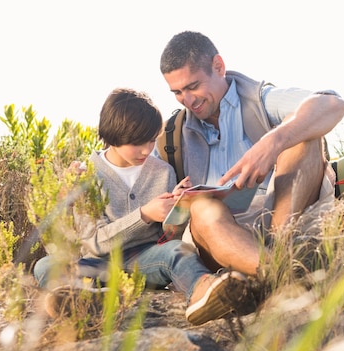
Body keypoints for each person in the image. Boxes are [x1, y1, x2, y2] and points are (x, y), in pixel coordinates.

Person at [33, 87, 253, 326]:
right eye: (138, 143)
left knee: (178, 251)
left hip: (147, 262)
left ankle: (205, 292)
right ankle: (89, 301)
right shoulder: (86, 176)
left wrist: (177, 208)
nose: (147, 150)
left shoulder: (162, 172)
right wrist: (144, 215)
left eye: (151, 140)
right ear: (114, 135)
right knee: (45, 265)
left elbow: (167, 240)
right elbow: (94, 243)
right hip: (97, 263)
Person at [157, 31, 344, 282]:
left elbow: (333, 104)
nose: (188, 100)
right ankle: (280, 275)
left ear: (219, 66)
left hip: (283, 220)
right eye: (178, 92)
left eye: (193, 86)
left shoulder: (260, 99)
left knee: (300, 131)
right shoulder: (170, 135)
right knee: (203, 210)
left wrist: (272, 143)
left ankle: (277, 255)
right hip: (219, 237)